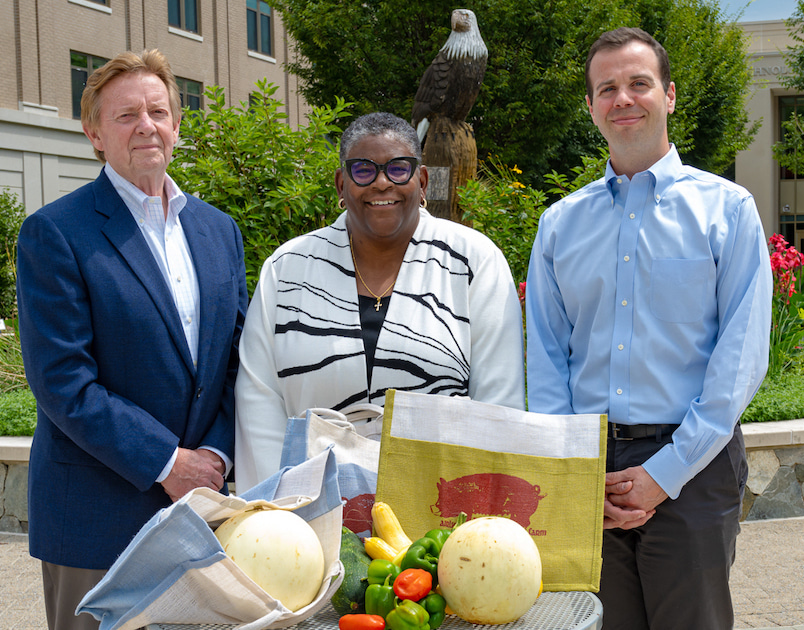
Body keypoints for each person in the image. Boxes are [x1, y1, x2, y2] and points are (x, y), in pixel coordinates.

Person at [525, 28, 772, 629]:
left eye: (639, 83)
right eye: (606, 88)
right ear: (590, 107)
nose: (623, 98)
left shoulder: (728, 210)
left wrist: (664, 475)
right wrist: (575, 470)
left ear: (669, 95)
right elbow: (547, 357)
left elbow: (739, 360)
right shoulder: (559, 225)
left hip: (694, 465)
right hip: (591, 468)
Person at [15, 49, 247, 630]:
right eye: (125, 116)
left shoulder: (220, 231)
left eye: (157, 111)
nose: (146, 125)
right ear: (94, 134)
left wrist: (213, 459)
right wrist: (168, 462)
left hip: (202, 511)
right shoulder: (56, 234)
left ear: (176, 125)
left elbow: (236, 362)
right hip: (97, 518)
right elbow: (63, 382)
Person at [233, 112, 525, 492]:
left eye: (399, 169)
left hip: (439, 510)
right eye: (363, 170)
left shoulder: (473, 262)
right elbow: (259, 401)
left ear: (422, 182)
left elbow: (498, 404)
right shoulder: (287, 269)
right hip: (309, 508)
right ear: (342, 183)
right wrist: (278, 512)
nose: (382, 182)